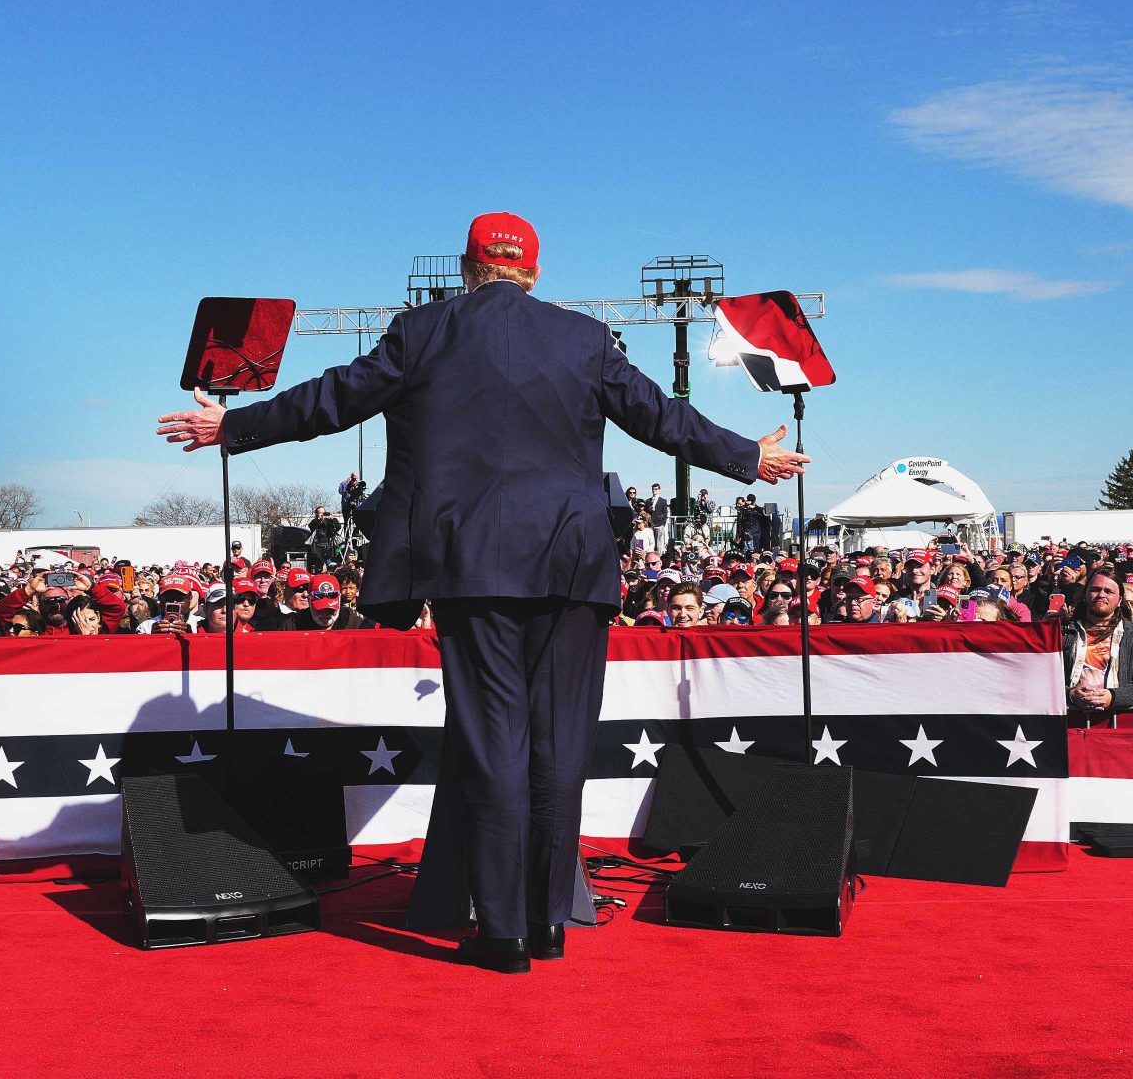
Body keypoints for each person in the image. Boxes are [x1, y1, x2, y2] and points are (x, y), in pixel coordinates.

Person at [156, 211, 802, 973]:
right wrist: (743, 458)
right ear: (534, 271)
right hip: (573, 560)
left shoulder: (422, 330)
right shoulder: (585, 339)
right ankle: (550, 918)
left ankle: (501, 934)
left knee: (495, 744)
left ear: (468, 268)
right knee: (561, 748)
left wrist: (233, 427)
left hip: (473, 563)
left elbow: (335, 399)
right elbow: (658, 418)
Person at [1060, 567, 1133, 723]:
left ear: (1120, 600)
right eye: (1095, 589)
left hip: (1114, 725)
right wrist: (1070, 695)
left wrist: (1113, 697)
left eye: (1108, 591)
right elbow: (1042, 678)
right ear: (1085, 595)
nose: (1101, 595)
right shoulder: (1063, 633)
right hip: (1068, 722)